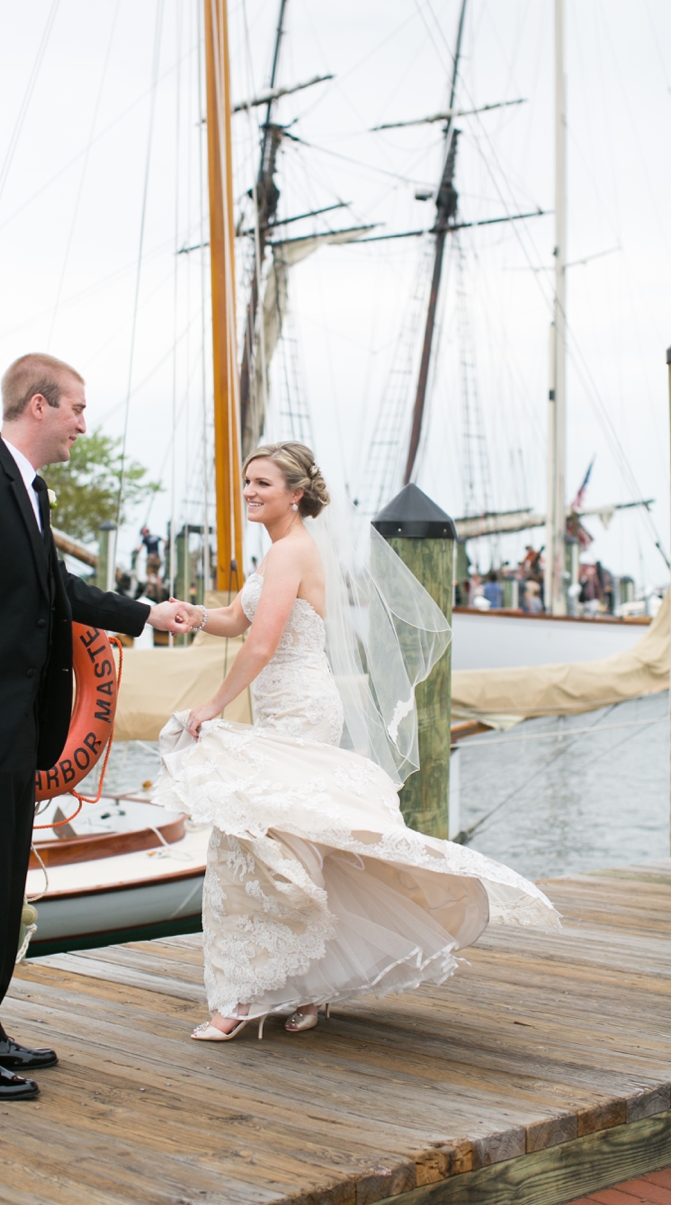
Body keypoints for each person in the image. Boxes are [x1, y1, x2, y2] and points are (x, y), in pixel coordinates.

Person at [155, 442, 557, 1041]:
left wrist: (210, 706)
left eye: (262, 483)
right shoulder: (275, 555)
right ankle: (306, 987)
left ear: (295, 494)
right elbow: (239, 620)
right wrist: (195, 614)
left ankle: (240, 999)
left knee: (258, 840)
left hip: (299, 706)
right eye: (247, 482)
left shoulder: (293, 552)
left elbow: (261, 647)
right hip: (278, 707)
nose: (249, 492)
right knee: (295, 840)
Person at [0, 353, 189, 1099]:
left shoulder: (30, 491)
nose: (84, 425)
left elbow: (55, 588)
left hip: (16, 726)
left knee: (1, 884)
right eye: (77, 410)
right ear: (37, 405)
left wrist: (145, 613)